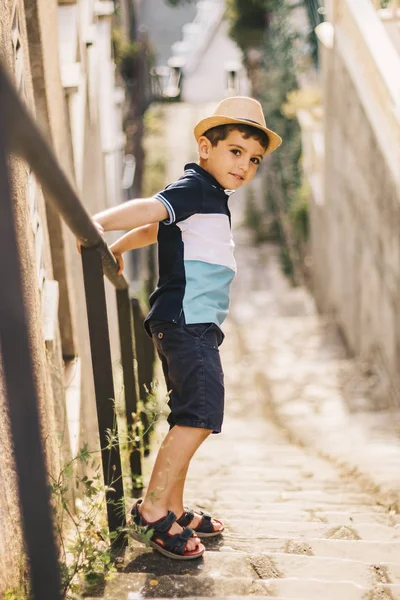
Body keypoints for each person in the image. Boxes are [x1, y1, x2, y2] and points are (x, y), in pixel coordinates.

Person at [88, 97, 282, 560]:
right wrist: (97, 226)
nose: (245, 165)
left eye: (253, 159)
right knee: (200, 414)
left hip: (193, 324)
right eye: (235, 151)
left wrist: (118, 246)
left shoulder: (209, 198)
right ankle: (153, 510)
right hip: (186, 321)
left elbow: (159, 229)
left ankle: (172, 506)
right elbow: (149, 209)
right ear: (206, 147)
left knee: (188, 413)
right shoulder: (195, 188)